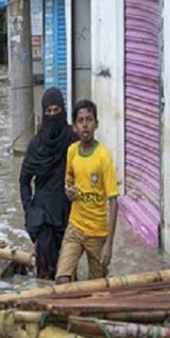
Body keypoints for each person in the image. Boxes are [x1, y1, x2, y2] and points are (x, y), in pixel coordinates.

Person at [55, 100, 119, 284]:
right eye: (80, 120)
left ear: (96, 124)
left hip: (97, 233)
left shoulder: (103, 157)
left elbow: (114, 201)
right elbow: (68, 184)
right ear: (74, 126)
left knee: (96, 288)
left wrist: (109, 244)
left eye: (89, 120)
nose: (85, 124)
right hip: (75, 227)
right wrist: (69, 192)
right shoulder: (72, 152)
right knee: (62, 279)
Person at [19, 88, 79, 279]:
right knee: (44, 274)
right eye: (48, 111)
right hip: (42, 215)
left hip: (68, 213)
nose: (53, 115)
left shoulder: (73, 141)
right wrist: (29, 209)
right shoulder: (36, 144)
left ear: (63, 110)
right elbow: (24, 180)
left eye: (56, 110)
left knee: (68, 272)